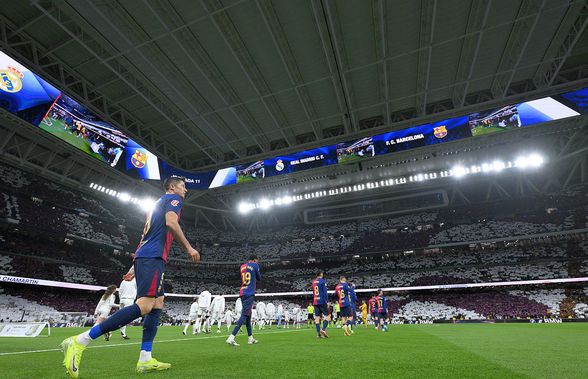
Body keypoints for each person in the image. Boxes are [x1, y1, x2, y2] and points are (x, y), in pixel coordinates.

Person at [61, 176, 200, 378]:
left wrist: (134, 267)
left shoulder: (156, 205)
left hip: (147, 256)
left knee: (158, 302)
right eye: (183, 186)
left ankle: (145, 358)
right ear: (172, 187)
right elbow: (171, 223)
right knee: (145, 305)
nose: (185, 190)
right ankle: (80, 340)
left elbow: (145, 237)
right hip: (152, 257)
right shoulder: (173, 200)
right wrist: (188, 247)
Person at [226, 255, 261, 347]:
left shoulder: (242, 266)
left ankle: (250, 338)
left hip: (242, 292)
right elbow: (259, 278)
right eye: (257, 261)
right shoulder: (255, 265)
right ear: (254, 260)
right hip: (249, 293)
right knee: (244, 315)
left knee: (248, 316)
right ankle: (231, 337)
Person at [311, 271, 330, 338]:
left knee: (317, 318)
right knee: (328, 315)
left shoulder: (313, 282)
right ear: (321, 274)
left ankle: (318, 334)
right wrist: (327, 301)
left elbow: (313, 292)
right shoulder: (322, 281)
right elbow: (325, 292)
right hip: (322, 301)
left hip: (315, 301)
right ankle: (323, 329)